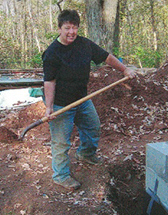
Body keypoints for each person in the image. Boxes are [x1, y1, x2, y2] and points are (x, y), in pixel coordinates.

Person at [42, 9, 136, 190]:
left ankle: (85, 154)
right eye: (67, 28)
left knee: (93, 126)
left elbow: (106, 57)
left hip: (82, 98)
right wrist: (50, 106)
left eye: (74, 28)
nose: (71, 32)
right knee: (61, 141)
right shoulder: (52, 53)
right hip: (62, 103)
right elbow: (49, 81)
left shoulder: (84, 45)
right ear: (60, 28)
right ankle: (60, 175)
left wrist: (124, 70)